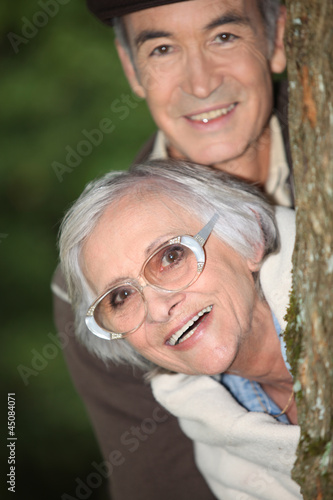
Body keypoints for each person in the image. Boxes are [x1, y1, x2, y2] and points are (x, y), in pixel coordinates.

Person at [52, 1, 295, 498]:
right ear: (132, 70)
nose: (200, 83)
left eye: (224, 37)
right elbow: (162, 482)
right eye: (162, 49)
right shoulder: (87, 286)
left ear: (275, 41)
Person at [58, 160, 301, 500]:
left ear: (249, 237)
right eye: (122, 296)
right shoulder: (223, 465)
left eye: (171, 256)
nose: (158, 310)